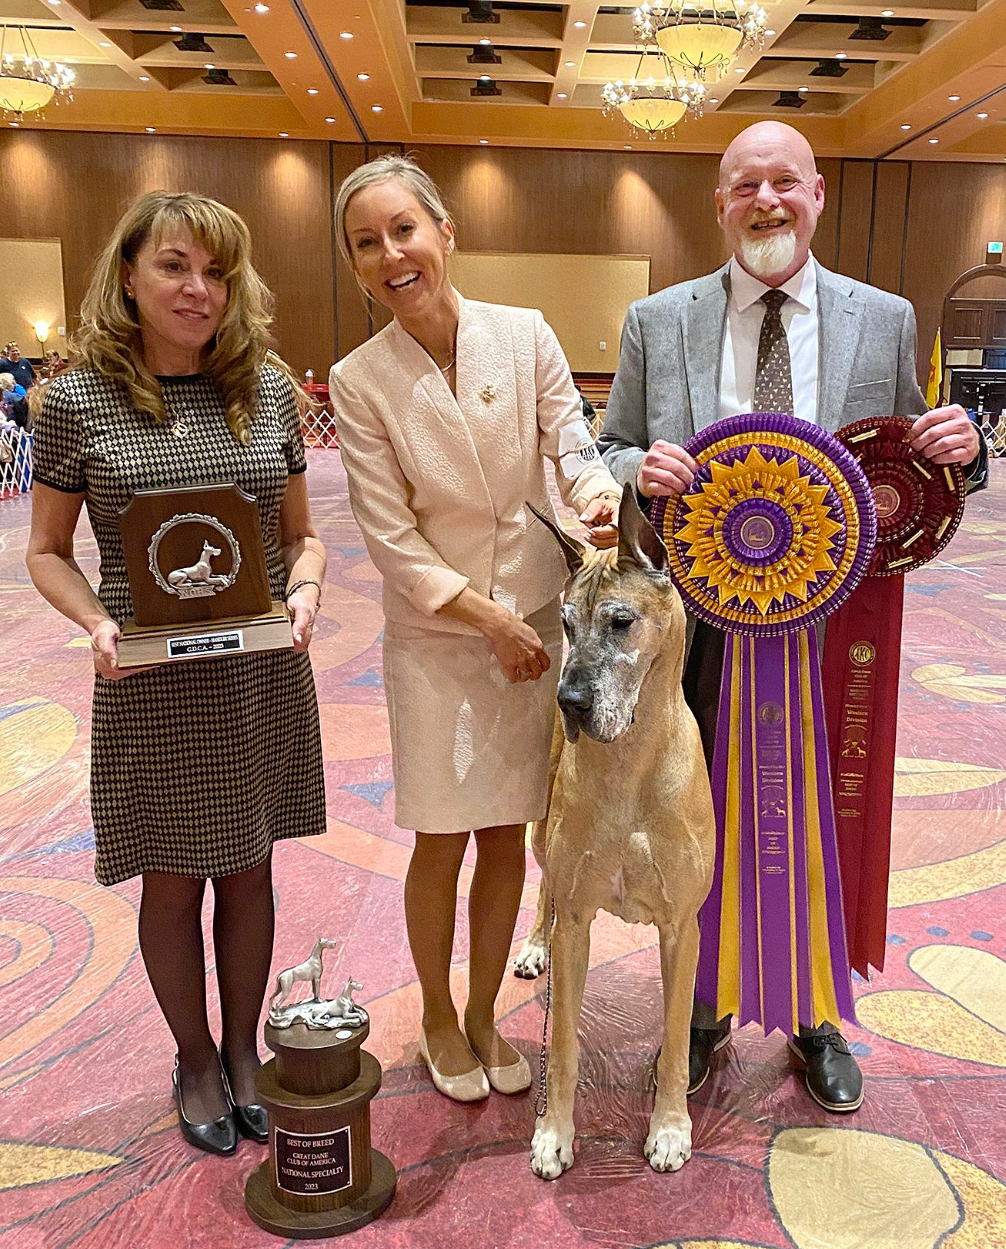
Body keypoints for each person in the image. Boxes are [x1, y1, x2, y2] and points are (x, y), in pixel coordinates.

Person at [598, 121, 987, 1115]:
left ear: (817, 196)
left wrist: (963, 450)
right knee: (691, 804)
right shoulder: (657, 319)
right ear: (719, 204)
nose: (765, 201)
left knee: (818, 808)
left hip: (833, 620)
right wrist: (638, 474)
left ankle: (814, 1014)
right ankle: (697, 1009)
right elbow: (607, 454)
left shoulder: (883, 316)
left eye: (784, 183)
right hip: (696, 619)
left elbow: (906, 456)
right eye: (743, 186)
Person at [26, 191, 327, 1156]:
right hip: (147, 682)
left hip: (257, 678)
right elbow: (46, 551)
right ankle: (193, 1055)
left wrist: (309, 595)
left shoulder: (267, 388)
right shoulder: (74, 401)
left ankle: (244, 1052)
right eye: (174, 266)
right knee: (170, 878)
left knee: (248, 867)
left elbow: (302, 539)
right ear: (128, 275)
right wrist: (97, 624)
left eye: (216, 273)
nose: (198, 290)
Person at [329, 154, 620, 1103]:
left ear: (445, 233)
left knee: (508, 832)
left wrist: (599, 500)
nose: (391, 255)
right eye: (366, 244)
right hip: (439, 635)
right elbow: (392, 538)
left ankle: (490, 1011)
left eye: (404, 230)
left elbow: (571, 447)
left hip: (532, 621)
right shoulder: (359, 380)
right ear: (357, 265)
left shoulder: (524, 333)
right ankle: (439, 1018)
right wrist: (485, 616)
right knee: (442, 837)